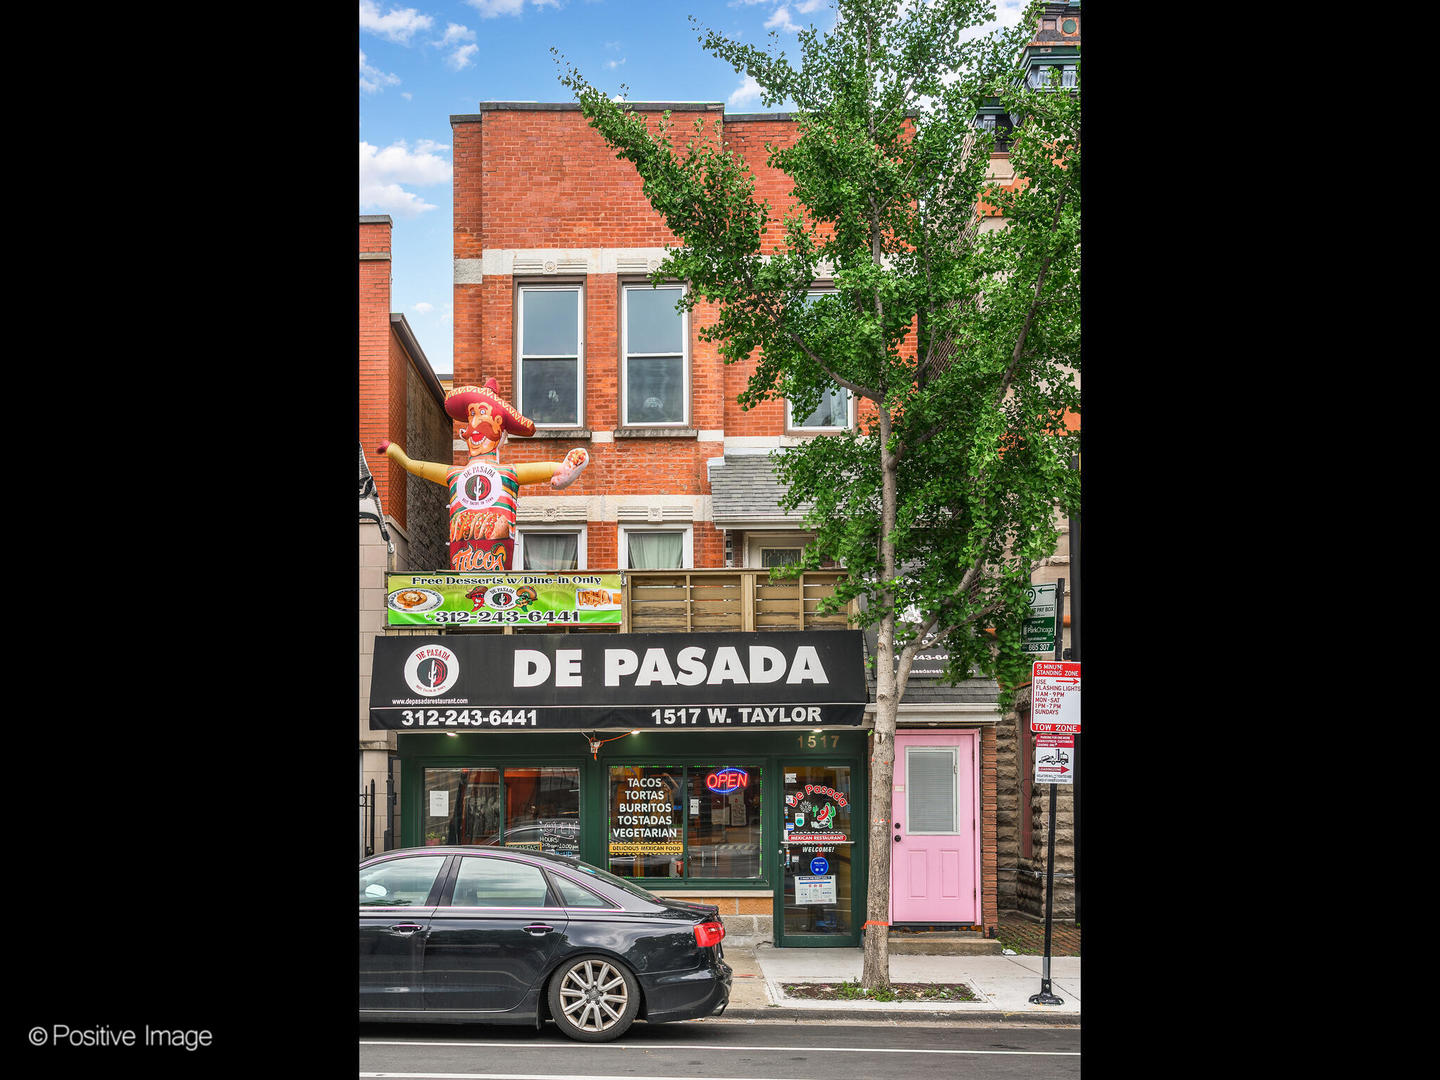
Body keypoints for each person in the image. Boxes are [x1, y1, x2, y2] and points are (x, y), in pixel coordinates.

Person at [378, 378, 589, 572]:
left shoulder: (507, 473)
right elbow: (416, 466)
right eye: (471, 419)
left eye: (483, 426)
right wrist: (396, 453)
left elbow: (554, 471)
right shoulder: (456, 474)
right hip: (462, 562)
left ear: (501, 434)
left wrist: (566, 469)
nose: (473, 432)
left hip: (496, 562)